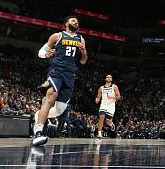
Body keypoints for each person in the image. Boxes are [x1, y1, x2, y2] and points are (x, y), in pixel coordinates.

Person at [32, 15, 88, 146]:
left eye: (77, 21)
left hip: (70, 75)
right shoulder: (57, 36)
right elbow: (41, 52)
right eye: (73, 20)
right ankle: (38, 131)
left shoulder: (81, 39)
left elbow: (83, 61)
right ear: (66, 23)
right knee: (51, 98)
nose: (76, 21)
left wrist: (84, 51)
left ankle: (38, 115)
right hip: (56, 71)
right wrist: (47, 54)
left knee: (59, 110)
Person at [95, 74, 121, 139]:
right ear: (105, 79)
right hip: (103, 104)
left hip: (111, 105)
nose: (109, 78)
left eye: (110, 77)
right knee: (101, 116)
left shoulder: (114, 86)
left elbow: (119, 96)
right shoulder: (101, 88)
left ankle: (111, 124)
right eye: (107, 77)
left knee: (108, 121)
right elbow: (98, 97)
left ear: (111, 79)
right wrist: (97, 100)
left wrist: (113, 97)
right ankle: (99, 133)